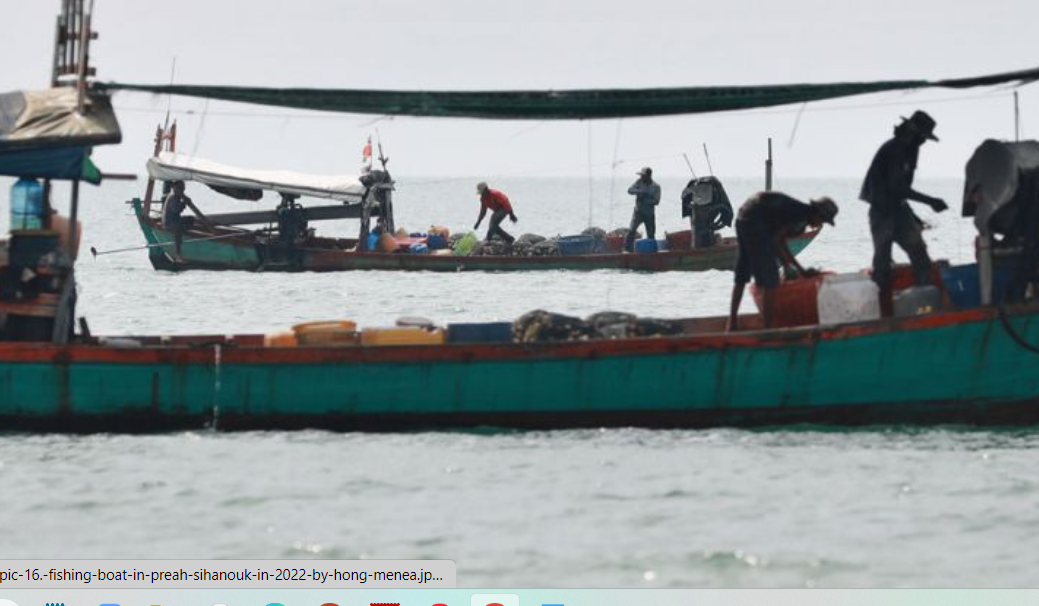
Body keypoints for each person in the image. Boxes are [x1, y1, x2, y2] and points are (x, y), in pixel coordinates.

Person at [860, 110, 948, 303]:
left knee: (920, 255)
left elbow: (901, 192)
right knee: (882, 263)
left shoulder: (912, 150)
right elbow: (897, 187)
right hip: (882, 212)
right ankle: (879, 309)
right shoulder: (894, 149)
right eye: (922, 137)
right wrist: (931, 201)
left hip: (899, 210)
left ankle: (924, 301)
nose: (924, 142)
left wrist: (914, 218)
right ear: (913, 132)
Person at [727, 192, 839, 331]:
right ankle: (768, 329)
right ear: (818, 214)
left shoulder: (800, 213)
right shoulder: (799, 216)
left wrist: (798, 269)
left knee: (742, 274)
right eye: (822, 221)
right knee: (770, 281)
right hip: (755, 220)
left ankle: (731, 325)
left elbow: (780, 241)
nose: (820, 224)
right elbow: (776, 242)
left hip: (743, 217)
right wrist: (794, 268)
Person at [681, 176, 734, 248]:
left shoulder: (715, 196)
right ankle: (700, 250)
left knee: (706, 234)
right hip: (699, 220)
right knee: (699, 235)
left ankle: (705, 249)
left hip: (706, 220)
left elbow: (726, 210)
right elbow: (684, 196)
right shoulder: (696, 191)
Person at [161, 180, 205, 260]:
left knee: (191, 219)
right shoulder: (173, 196)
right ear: (175, 188)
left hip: (175, 219)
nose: (183, 190)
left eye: (183, 188)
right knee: (179, 229)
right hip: (169, 223)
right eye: (181, 188)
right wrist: (184, 203)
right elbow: (176, 210)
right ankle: (178, 253)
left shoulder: (177, 195)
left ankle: (199, 229)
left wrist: (184, 201)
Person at [624, 167, 661, 252]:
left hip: (649, 214)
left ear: (649, 176)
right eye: (641, 175)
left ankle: (652, 251)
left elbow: (657, 201)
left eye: (643, 175)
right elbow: (629, 190)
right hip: (638, 212)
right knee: (631, 230)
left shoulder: (656, 186)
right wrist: (639, 191)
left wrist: (647, 199)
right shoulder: (638, 182)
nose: (641, 177)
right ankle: (627, 250)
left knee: (651, 234)